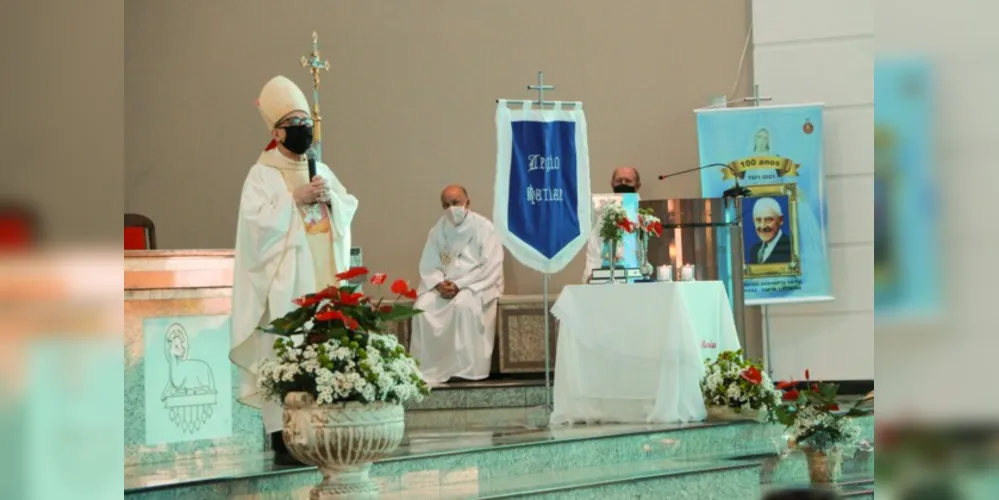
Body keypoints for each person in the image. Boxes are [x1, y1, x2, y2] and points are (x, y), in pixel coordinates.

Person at [229, 75, 358, 465]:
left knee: (321, 345)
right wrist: (293, 200)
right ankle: (283, 433)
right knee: (284, 349)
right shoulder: (262, 174)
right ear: (276, 133)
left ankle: (321, 424)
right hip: (286, 281)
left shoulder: (321, 167)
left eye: (307, 122)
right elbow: (253, 227)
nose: (304, 130)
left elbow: (347, 206)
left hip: (322, 273)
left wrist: (331, 198)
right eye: (295, 124)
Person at [410, 185, 504, 386]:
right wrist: (438, 283)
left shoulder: (484, 227)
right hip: (444, 285)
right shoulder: (437, 230)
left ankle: (465, 369)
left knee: (463, 306)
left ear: (467, 203)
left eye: (455, 203)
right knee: (422, 307)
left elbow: (491, 265)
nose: (451, 209)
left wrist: (460, 284)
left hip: (476, 283)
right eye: (446, 205)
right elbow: (428, 263)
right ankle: (428, 368)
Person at [582, 166, 641, 282]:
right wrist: (590, 275)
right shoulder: (604, 215)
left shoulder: (644, 214)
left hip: (638, 281)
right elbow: (594, 250)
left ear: (638, 185)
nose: (623, 184)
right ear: (612, 184)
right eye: (619, 181)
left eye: (628, 181)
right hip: (609, 282)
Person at [748, 197, 792, 265]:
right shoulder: (754, 250)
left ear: (781, 220)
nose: (763, 226)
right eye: (758, 220)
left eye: (768, 219)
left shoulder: (791, 248)